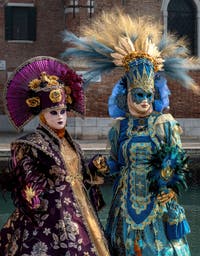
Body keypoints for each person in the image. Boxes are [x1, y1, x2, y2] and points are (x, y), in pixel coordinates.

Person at [61, 9, 200, 255]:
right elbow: (116, 163)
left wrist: (171, 187)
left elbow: (179, 161)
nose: (145, 101)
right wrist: (99, 166)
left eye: (149, 95)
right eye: (139, 95)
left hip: (158, 201)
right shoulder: (119, 127)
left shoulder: (164, 123)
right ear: (127, 95)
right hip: (125, 203)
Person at [0, 56, 111, 256]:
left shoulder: (73, 144)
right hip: (51, 215)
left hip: (81, 209)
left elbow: (80, 176)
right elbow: (27, 177)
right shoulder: (31, 145)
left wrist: (93, 168)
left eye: (63, 111)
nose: (60, 117)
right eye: (53, 112)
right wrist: (33, 191)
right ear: (42, 115)